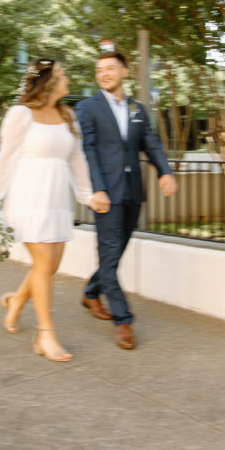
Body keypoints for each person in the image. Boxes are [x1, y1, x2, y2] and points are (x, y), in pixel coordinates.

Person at [0, 58, 107, 362]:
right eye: (62, 74)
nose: (67, 78)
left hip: (57, 199)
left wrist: (89, 195)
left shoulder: (68, 116)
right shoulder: (20, 114)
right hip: (28, 196)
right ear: (47, 81)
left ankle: (16, 301)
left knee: (48, 266)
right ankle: (45, 335)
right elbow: (6, 159)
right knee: (44, 262)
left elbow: (77, 160)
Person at [76, 50, 178, 349]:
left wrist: (165, 172)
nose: (104, 73)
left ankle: (91, 292)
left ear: (125, 72)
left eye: (110, 68)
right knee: (110, 253)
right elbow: (88, 150)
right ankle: (124, 320)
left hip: (133, 189)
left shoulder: (138, 109)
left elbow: (152, 144)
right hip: (106, 192)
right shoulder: (87, 108)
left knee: (116, 251)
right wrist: (97, 188)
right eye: (99, 70)